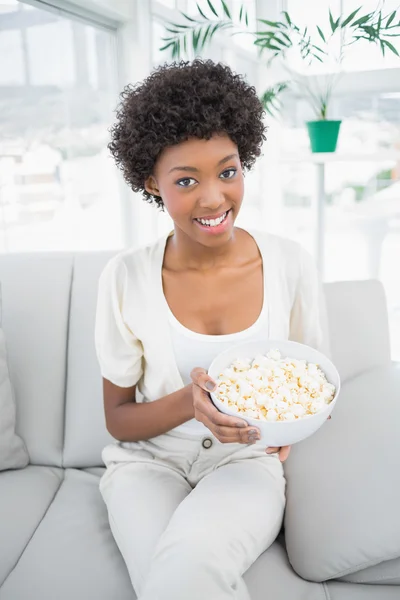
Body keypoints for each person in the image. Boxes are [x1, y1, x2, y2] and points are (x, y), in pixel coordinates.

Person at [95, 59, 330, 600]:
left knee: (186, 570)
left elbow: (316, 386)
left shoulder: (290, 263)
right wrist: (191, 403)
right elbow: (118, 420)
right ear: (150, 182)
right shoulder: (125, 277)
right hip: (147, 464)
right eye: (185, 180)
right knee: (171, 584)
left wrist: (286, 431)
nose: (213, 199)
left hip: (245, 461)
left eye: (228, 171)